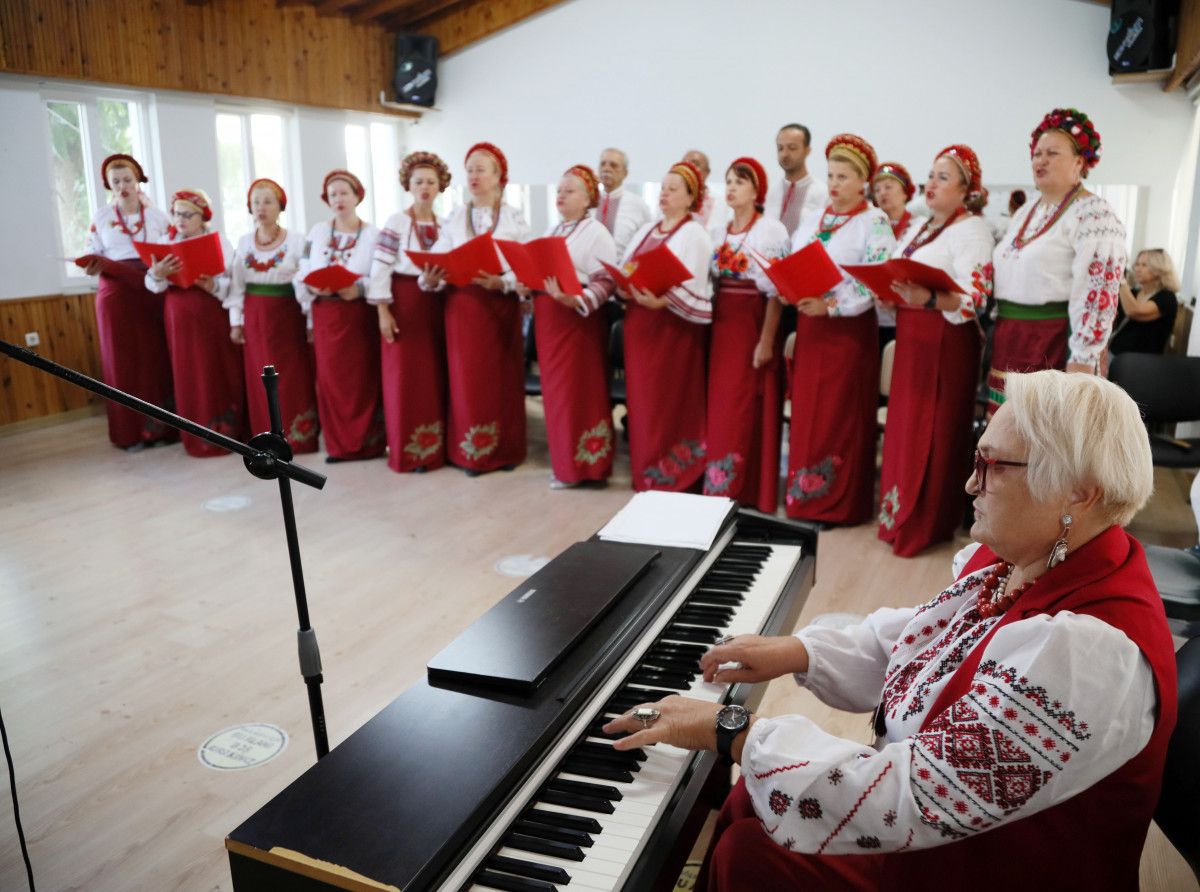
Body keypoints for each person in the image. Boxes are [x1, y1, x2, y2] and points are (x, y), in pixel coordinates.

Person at [605, 370, 1175, 892]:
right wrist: (799, 652)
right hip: (954, 837)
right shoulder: (1032, 561)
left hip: (992, 871)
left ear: (1078, 491)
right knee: (754, 805)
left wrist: (731, 729)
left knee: (752, 852)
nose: (970, 484)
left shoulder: (1090, 652)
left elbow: (914, 796)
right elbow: (927, 647)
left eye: (992, 466)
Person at [878, 145, 994, 557]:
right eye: (930, 175)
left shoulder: (973, 229)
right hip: (913, 337)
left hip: (945, 341)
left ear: (967, 188)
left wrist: (927, 297)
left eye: (943, 177)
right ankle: (897, 518)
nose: (931, 183)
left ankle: (926, 524)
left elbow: (975, 298)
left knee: (934, 431)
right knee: (907, 430)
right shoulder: (918, 228)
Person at [785, 134, 896, 524]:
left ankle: (837, 504)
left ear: (863, 180)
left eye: (844, 177)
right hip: (811, 328)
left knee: (838, 415)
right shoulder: (816, 218)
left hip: (846, 334)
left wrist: (830, 305)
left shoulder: (874, 221)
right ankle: (803, 498)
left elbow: (874, 279)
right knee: (808, 414)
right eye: (831, 175)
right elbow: (794, 258)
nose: (834, 184)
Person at [990, 108, 1126, 413]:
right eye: (1037, 153)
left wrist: (1081, 363)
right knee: (1006, 435)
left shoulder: (1094, 215)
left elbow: (1098, 294)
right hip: (1011, 338)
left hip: (1051, 341)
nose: (1040, 160)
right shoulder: (1027, 212)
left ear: (1079, 161)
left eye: (1052, 153)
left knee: (1043, 437)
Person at [420, 142, 530, 475]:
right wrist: (430, 275)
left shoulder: (513, 218)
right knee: (467, 381)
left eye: (481, 169)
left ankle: (505, 450)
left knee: (503, 379)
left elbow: (525, 267)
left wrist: (504, 282)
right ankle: (471, 453)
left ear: (499, 177)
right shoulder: (454, 217)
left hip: (499, 306)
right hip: (463, 308)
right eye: (469, 170)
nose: (474, 176)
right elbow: (438, 259)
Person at [618, 160, 713, 491]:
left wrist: (664, 300)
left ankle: (677, 476)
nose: (665, 194)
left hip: (672, 334)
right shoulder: (647, 229)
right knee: (644, 406)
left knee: (669, 405)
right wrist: (623, 282)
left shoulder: (695, 234)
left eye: (674, 189)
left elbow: (697, 287)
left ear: (691, 198)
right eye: (663, 188)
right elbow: (627, 266)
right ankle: (646, 473)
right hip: (640, 329)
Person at [703, 156, 790, 512]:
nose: (732, 187)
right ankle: (721, 487)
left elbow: (776, 292)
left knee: (749, 406)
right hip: (723, 327)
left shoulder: (770, 230)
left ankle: (750, 488)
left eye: (740, 181)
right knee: (724, 407)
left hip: (753, 324)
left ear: (757, 191)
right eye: (728, 181)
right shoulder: (718, 230)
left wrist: (767, 339)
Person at [535, 165, 619, 488]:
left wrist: (577, 299)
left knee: (579, 392)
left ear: (587, 199)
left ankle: (589, 466)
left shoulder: (597, 232)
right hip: (550, 321)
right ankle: (564, 465)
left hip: (577, 321)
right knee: (556, 395)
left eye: (569, 191)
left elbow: (607, 280)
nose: (561, 195)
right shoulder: (553, 231)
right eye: (559, 190)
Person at [83, 153, 175, 450]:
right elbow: (91, 252)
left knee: (156, 358)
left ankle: (162, 430)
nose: (122, 186)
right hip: (116, 294)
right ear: (109, 185)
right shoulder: (101, 217)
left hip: (152, 289)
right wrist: (90, 265)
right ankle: (130, 433)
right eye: (116, 181)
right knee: (122, 361)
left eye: (127, 180)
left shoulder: (159, 216)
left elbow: (173, 249)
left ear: (139, 181)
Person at [368, 151, 452, 473]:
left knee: (434, 377)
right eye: (418, 181)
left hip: (434, 306)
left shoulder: (446, 225)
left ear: (441, 185)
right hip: (403, 305)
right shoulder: (396, 222)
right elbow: (379, 269)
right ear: (408, 185)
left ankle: (433, 450)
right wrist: (383, 313)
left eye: (431, 181)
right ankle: (409, 451)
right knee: (404, 379)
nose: (425, 187)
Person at [145, 187, 244, 457]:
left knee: (215, 370)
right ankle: (195, 436)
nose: (181, 219)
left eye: (188, 214)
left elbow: (232, 283)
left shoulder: (218, 241)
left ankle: (226, 433)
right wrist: (157, 273)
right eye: (177, 213)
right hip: (178, 316)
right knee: (187, 372)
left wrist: (212, 285)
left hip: (211, 312)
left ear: (203, 217)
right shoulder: (164, 242)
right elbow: (152, 285)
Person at [295, 170, 383, 463]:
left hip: (357, 316)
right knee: (330, 380)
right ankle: (338, 445)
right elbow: (304, 269)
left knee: (361, 379)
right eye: (333, 194)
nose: (339, 199)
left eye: (344, 193)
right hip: (325, 314)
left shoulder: (373, 234)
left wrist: (358, 288)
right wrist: (311, 286)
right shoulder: (318, 232)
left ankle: (368, 443)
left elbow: (382, 276)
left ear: (358, 195)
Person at [227, 178, 318, 452]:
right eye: (256, 202)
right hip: (254, 318)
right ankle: (265, 438)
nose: (261, 208)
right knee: (259, 376)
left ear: (280, 206)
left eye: (267, 201)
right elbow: (236, 285)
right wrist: (236, 321)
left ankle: (299, 437)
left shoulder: (298, 241)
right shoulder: (244, 243)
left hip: (288, 316)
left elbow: (305, 280)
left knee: (291, 376)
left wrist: (310, 320)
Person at [871, 161, 918, 350]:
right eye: (877, 189)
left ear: (905, 192)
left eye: (889, 187)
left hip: (905, 315)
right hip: (873, 317)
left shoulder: (918, 227)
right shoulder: (871, 225)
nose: (882, 192)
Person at [1110, 248, 1180, 355]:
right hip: (1114, 354)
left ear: (1159, 269)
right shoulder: (1132, 293)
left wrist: (1121, 279)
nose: (1138, 269)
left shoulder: (1167, 298)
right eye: (1137, 264)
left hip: (1142, 365)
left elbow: (1133, 311)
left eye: (1144, 265)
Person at [763, 124, 828, 238]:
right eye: (780, 148)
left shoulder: (823, 192)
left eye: (792, 148)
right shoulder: (770, 193)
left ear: (807, 150)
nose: (784, 154)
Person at [594, 147, 653, 258]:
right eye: (603, 164)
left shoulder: (637, 204)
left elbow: (647, 243)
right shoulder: (589, 202)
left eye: (613, 165)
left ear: (625, 173)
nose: (606, 168)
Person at [684, 149, 719, 227]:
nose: (688, 168)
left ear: (707, 172)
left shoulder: (718, 202)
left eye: (695, 164)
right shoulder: (668, 199)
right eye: (684, 164)